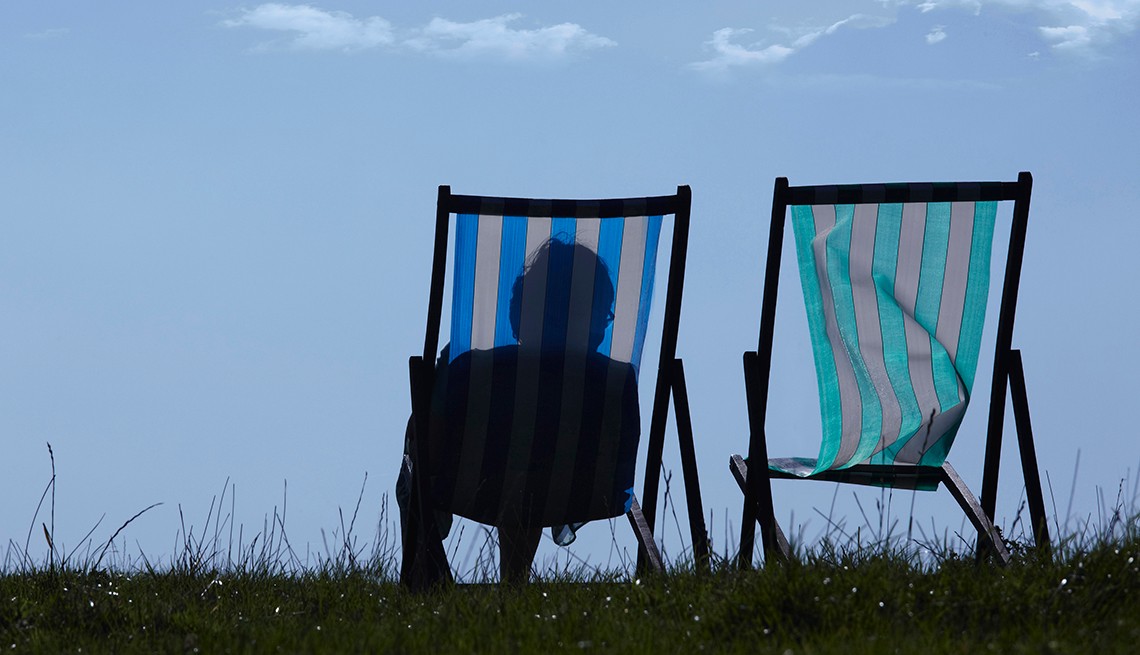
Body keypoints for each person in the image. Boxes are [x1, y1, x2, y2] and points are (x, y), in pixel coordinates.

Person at [399, 238, 640, 585]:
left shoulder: (469, 369)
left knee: (423, 447)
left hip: (475, 486)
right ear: (594, 317)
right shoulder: (616, 382)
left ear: (520, 311)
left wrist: (436, 389)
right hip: (582, 491)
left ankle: (429, 578)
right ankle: (515, 583)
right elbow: (621, 460)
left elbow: (429, 450)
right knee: (534, 472)